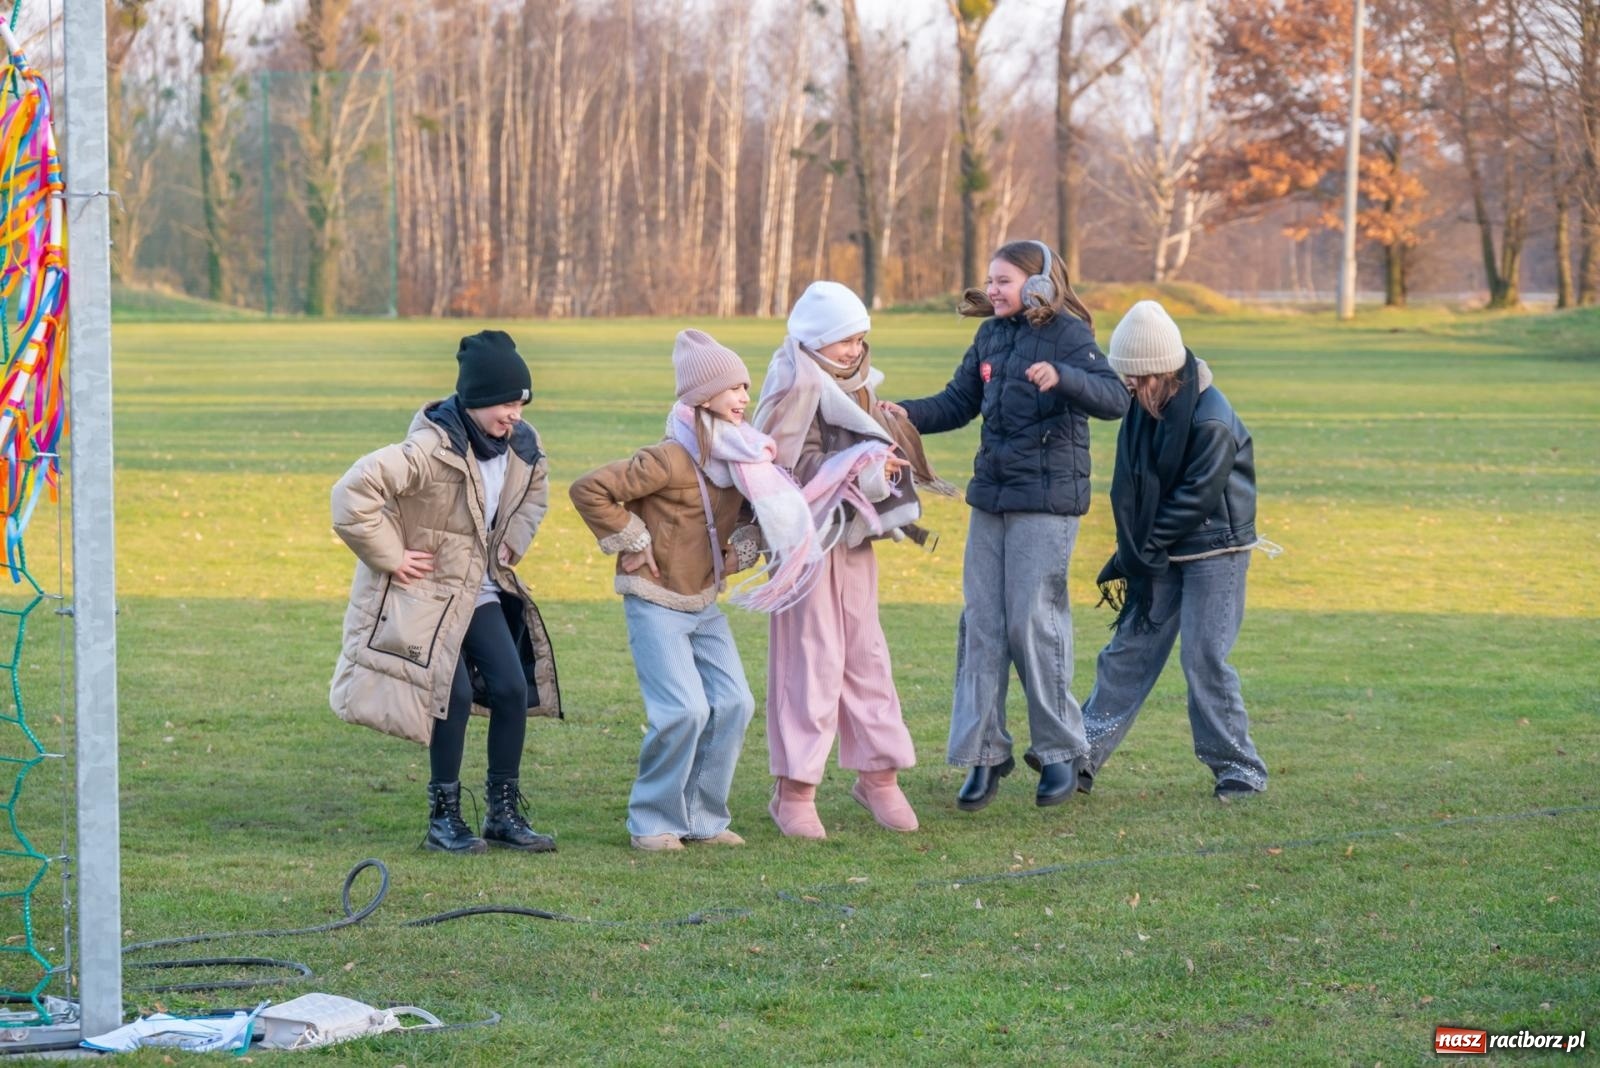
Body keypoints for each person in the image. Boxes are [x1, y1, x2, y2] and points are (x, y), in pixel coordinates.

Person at [883, 240, 1128, 810]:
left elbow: (1115, 398)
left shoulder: (1069, 334)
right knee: (982, 626)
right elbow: (956, 402)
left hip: (1046, 505)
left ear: (1040, 283)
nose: (992, 289)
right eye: (989, 279)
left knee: (1031, 624)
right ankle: (984, 756)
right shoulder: (990, 335)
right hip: (990, 500)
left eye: (1004, 280)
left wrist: (1064, 377)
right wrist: (903, 413)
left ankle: (1063, 753)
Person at [570, 329, 822, 851]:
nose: (744, 398)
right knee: (683, 710)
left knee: (734, 703)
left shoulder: (744, 455)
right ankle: (653, 821)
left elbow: (753, 512)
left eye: (746, 388)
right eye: (734, 389)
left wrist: (747, 543)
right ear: (702, 396)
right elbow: (590, 488)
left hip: (704, 602)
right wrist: (635, 540)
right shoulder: (667, 458)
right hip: (656, 600)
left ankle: (703, 818)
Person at [330, 329, 562, 855]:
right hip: (425, 595)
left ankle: (503, 815)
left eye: (522, 402)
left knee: (509, 688)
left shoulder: (524, 445)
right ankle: (444, 819)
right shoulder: (428, 449)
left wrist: (514, 541)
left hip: (477, 588)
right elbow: (351, 493)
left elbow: (537, 491)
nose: (515, 414)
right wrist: (389, 556)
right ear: (476, 399)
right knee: (451, 694)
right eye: (506, 402)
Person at [753, 281, 951, 838]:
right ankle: (794, 790)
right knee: (810, 662)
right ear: (816, 337)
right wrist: (862, 460)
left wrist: (885, 438)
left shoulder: (857, 382)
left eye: (860, 338)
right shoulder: (792, 383)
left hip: (855, 539)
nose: (854, 349)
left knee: (866, 656)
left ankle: (879, 776)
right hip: (806, 544)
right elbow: (785, 465)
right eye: (844, 339)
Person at [1081, 300, 1271, 798]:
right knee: (1128, 650)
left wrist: (1136, 550)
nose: (1126, 389)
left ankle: (1239, 768)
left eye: (1134, 380)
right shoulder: (1148, 408)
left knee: (1204, 658)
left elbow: (1195, 500)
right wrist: (1134, 549)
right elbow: (1132, 487)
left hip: (1215, 551)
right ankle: (1081, 753)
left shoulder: (1212, 421)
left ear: (1160, 373)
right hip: (1160, 549)